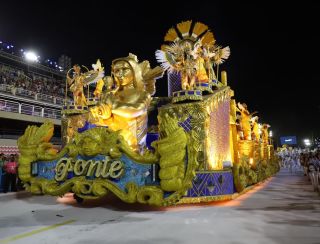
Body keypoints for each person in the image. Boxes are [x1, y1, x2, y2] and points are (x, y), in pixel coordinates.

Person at [90, 53, 163, 151]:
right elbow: (107, 121)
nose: (120, 73)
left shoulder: (143, 94)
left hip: (134, 149)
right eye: (117, 71)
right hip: (112, 146)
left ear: (134, 71)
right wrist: (100, 114)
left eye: (125, 69)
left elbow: (137, 110)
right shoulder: (111, 95)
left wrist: (112, 107)